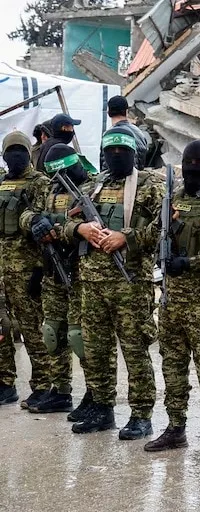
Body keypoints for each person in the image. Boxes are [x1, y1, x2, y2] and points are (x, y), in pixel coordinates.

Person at [66, 127, 164, 440]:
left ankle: (141, 414)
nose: (117, 156)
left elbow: (165, 227)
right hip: (92, 283)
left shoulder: (150, 185)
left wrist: (127, 237)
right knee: (96, 350)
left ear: (135, 153)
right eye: (111, 151)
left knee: (134, 350)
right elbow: (66, 219)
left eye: (123, 151)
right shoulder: (94, 185)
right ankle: (102, 407)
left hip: (130, 284)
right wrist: (80, 229)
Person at [144, 140, 200, 459]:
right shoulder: (175, 198)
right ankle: (175, 427)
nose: (193, 170)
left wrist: (190, 263)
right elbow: (153, 235)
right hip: (171, 300)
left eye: (199, 164)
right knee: (172, 366)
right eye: (189, 164)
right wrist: (163, 227)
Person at [20, 143, 87, 415]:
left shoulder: (90, 188)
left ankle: (95, 393)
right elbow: (26, 213)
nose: (58, 180)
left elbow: (90, 224)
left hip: (81, 272)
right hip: (52, 270)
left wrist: (57, 227)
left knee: (80, 336)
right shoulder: (50, 189)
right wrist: (35, 221)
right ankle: (60, 391)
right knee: (53, 332)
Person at [0, 131, 57, 408]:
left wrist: (39, 269)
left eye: (20, 151)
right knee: (1, 328)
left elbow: (44, 225)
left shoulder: (40, 183)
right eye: (10, 152)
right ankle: (5, 382)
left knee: (32, 329)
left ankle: (43, 385)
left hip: (27, 270)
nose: (15, 156)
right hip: (2, 271)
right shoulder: (1, 182)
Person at [104, 96, 151, 170]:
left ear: (108, 113)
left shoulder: (108, 136)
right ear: (126, 112)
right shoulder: (139, 133)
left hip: (115, 177)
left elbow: (104, 168)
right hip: (137, 176)